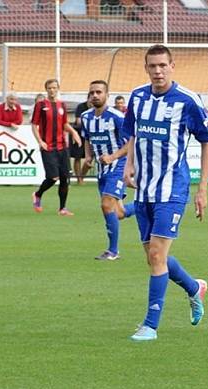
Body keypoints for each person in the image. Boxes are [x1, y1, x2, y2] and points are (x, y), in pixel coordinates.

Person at [106, 44, 208, 342]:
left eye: (163, 65)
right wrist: (128, 166)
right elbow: (134, 134)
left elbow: (206, 142)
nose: (158, 71)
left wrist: (202, 189)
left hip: (173, 189)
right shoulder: (138, 97)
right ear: (146, 67)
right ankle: (194, 287)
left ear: (172, 66)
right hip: (144, 190)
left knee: (156, 255)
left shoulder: (187, 101)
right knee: (155, 258)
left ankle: (150, 325)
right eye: (152, 66)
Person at [81, 80, 135, 261]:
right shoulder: (86, 117)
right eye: (92, 93)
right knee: (117, 213)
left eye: (99, 92)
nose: (95, 95)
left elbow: (130, 142)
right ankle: (146, 204)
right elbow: (87, 138)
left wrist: (113, 157)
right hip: (101, 169)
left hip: (117, 166)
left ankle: (113, 251)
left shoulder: (117, 117)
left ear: (107, 95)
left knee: (106, 205)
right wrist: (88, 156)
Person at [31, 79, 82, 216]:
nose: (52, 90)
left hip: (62, 146)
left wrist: (74, 132)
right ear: (46, 89)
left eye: (54, 88)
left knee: (65, 178)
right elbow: (34, 125)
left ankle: (62, 209)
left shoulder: (62, 105)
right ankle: (37, 194)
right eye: (49, 88)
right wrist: (40, 141)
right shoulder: (41, 105)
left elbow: (64, 123)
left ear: (58, 89)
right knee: (53, 177)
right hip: (48, 146)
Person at [70, 93, 92, 184]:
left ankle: (82, 177)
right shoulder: (81, 107)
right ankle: (79, 179)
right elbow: (79, 122)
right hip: (79, 134)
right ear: (88, 99)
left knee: (89, 158)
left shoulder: (96, 108)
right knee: (77, 157)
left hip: (91, 135)